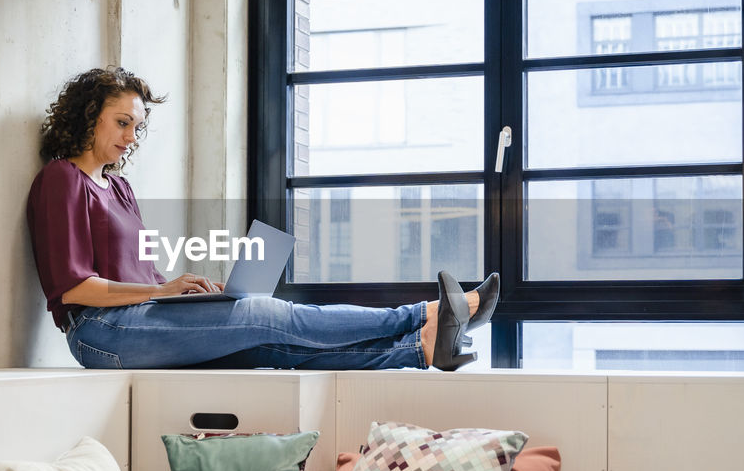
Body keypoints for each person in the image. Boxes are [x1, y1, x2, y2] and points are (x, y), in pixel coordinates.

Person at [26, 66, 498, 371]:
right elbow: (75, 288)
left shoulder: (120, 188)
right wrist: (161, 292)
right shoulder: (61, 180)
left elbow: (141, 273)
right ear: (89, 117)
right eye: (122, 122)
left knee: (270, 348)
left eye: (137, 125)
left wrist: (187, 289)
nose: (131, 136)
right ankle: (424, 313)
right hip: (99, 333)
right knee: (266, 315)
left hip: (141, 320)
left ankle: (422, 349)